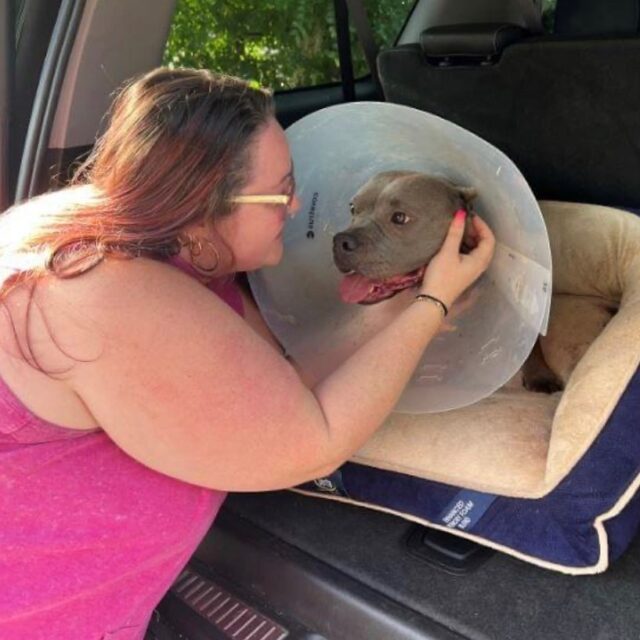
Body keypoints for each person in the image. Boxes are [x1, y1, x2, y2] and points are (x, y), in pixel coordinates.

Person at [0, 67, 495, 639]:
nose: (297, 205)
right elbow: (312, 442)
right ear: (202, 200)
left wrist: (398, 303)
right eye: (280, 192)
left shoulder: (131, 231)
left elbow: (276, 382)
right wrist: (432, 303)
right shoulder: (104, 291)